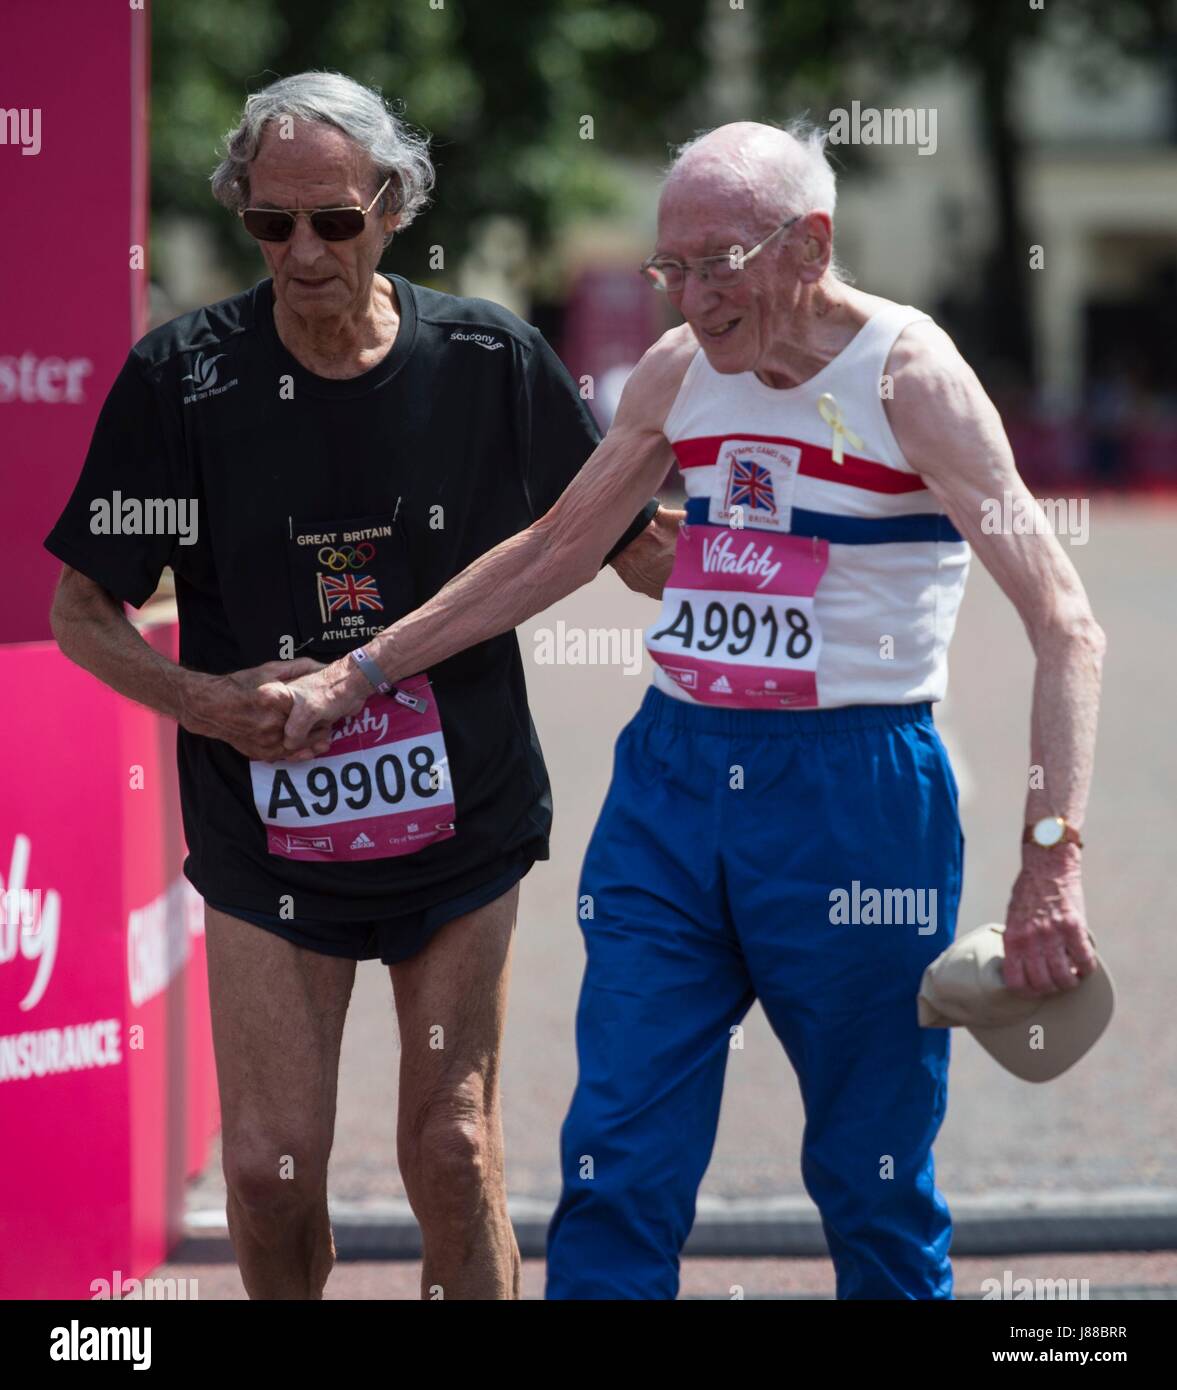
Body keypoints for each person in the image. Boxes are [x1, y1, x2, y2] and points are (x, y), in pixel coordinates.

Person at [277, 120, 1106, 1300]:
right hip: (670, 782)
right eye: (673, 265)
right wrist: (360, 673)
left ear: (810, 241)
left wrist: (1049, 863)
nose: (694, 294)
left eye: (721, 259)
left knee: (871, 1179)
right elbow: (557, 546)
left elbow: (1067, 624)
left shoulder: (908, 377)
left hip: (856, 796)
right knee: (616, 1160)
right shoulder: (678, 370)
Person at [43, 71, 676, 1301]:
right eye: (269, 223)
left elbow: (626, 543)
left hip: (461, 816)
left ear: (391, 208)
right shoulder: (184, 380)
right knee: (273, 1171)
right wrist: (217, 704)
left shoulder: (489, 360)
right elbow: (81, 614)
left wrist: (788, 552)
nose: (302, 251)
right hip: (267, 831)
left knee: (453, 1147)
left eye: (333, 220)